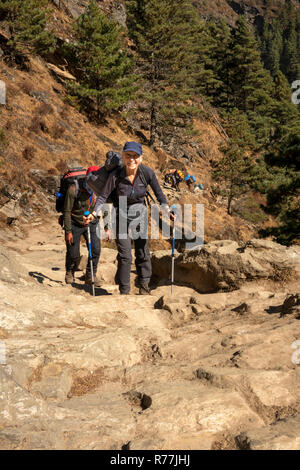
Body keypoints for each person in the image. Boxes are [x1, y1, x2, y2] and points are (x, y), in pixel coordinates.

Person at [84, 141, 174, 295]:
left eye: (135, 156)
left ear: (141, 158)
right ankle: (124, 290)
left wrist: (167, 210)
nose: (131, 159)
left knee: (142, 250)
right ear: (123, 157)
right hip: (121, 216)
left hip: (140, 215)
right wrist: (93, 213)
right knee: (125, 255)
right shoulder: (115, 175)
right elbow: (103, 196)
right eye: (128, 155)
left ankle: (144, 284)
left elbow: (160, 195)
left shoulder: (147, 173)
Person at [63, 165, 108, 286]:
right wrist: (68, 231)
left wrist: (107, 228)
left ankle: (90, 275)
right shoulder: (73, 189)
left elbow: (104, 206)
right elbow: (66, 211)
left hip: (92, 223)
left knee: (96, 250)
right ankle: (70, 272)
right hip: (75, 223)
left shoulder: (99, 189)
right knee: (73, 254)